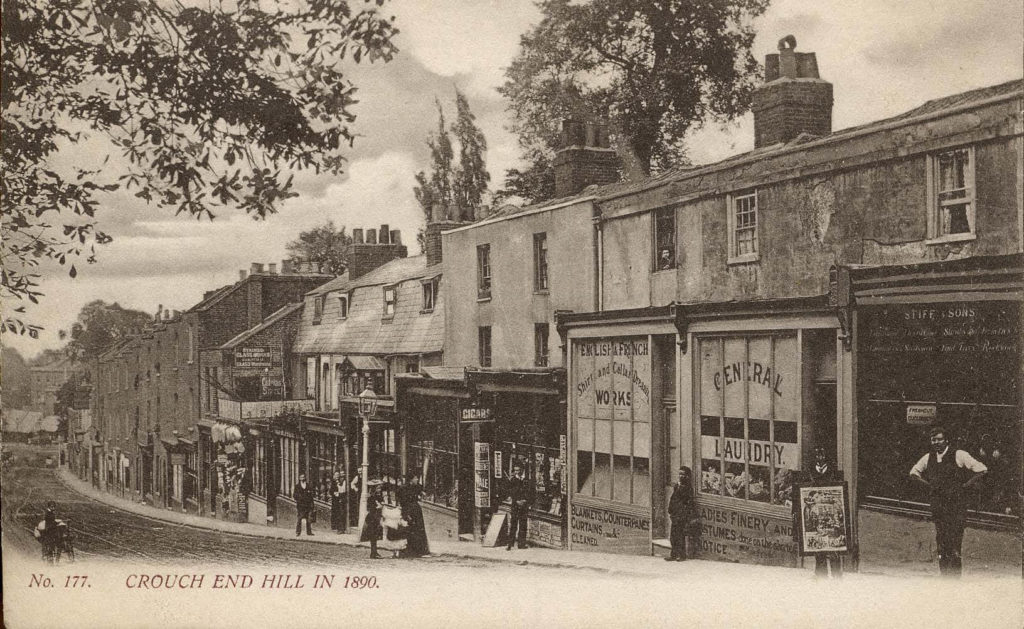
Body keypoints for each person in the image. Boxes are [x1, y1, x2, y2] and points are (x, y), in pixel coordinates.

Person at [909, 425, 988, 577]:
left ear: (946, 440)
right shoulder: (928, 457)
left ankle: (955, 578)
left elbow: (982, 469)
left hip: (956, 507)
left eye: (939, 439)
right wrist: (929, 486)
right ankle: (944, 577)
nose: (936, 443)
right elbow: (914, 473)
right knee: (941, 541)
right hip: (939, 507)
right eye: (933, 440)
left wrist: (965, 487)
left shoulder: (959, 455)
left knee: (955, 542)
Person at [796, 446, 844, 578]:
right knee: (819, 549)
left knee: (834, 549)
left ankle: (836, 575)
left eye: (822, 455)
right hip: (817, 519)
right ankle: (820, 574)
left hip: (831, 518)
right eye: (818, 455)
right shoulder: (810, 471)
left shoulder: (834, 471)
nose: (820, 458)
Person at [666, 467, 697, 561]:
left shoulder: (688, 488)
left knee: (680, 536)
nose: (680, 476)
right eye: (679, 474)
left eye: (683, 474)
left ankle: (682, 555)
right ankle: (673, 554)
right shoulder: (677, 486)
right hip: (675, 514)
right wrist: (670, 510)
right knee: (673, 536)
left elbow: (686, 501)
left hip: (682, 515)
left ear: (687, 476)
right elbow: (673, 499)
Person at [398, 474, 430, 557]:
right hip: (409, 510)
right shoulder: (404, 488)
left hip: (416, 511)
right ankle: (412, 550)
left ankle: (420, 550)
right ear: (411, 479)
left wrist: (421, 493)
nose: (417, 480)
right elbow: (403, 502)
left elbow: (421, 490)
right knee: (411, 530)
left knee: (418, 529)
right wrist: (406, 514)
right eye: (415, 478)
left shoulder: (416, 487)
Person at [504, 465, 530, 550]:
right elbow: (510, 491)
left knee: (523, 525)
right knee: (513, 524)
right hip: (515, 505)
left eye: (518, 470)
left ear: (522, 470)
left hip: (524, 505)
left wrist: (526, 500)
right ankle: (510, 544)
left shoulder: (526, 480)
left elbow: (530, 492)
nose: (516, 472)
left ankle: (521, 544)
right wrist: (516, 500)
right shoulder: (513, 480)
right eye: (515, 470)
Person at [360, 481, 384, 559]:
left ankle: (374, 552)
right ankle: (373, 553)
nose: (379, 489)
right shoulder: (371, 497)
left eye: (380, 488)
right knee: (373, 536)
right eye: (378, 488)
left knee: (375, 536)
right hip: (372, 518)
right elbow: (370, 508)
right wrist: (378, 507)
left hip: (377, 517)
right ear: (374, 489)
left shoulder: (379, 496)